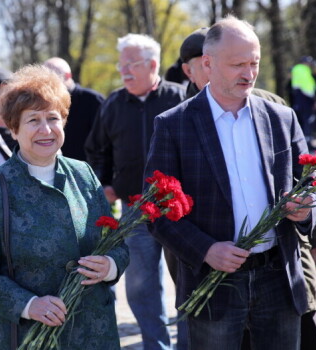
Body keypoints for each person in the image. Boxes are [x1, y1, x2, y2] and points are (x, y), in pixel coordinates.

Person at [144, 16, 316, 349]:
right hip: (214, 284)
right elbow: (156, 212)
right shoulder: (174, 125)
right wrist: (207, 249)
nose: (249, 73)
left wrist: (306, 209)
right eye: (238, 64)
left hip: (278, 278)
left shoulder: (281, 118)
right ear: (207, 64)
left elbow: (311, 185)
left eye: (254, 62)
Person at [0, 65, 129, 349]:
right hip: (32, 335)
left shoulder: (84, 175)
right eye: (33, 120)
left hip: (94, 332)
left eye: (53, 118)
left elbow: (117, 243)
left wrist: (110, 266)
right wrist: (28, 305)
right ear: (13, 129)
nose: (46, 129)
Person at [85, 33, 185, 350]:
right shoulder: (113, 103)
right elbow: (95, 149)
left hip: (179, 210)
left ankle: (189, 343)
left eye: (131, 64)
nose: (123, 71)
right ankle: (157, 345)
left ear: (153, 64)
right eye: (121, 64)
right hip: (134, 210)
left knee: (187, 279)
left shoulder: (179, 98)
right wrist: (106, 184)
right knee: (140, 284)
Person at [43, 57, 104, 161]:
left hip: (88, 169)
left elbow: (105, 141)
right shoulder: (43, 103)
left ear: (67, 76)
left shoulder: (92, 100)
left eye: (53, 77)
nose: (48, 83)